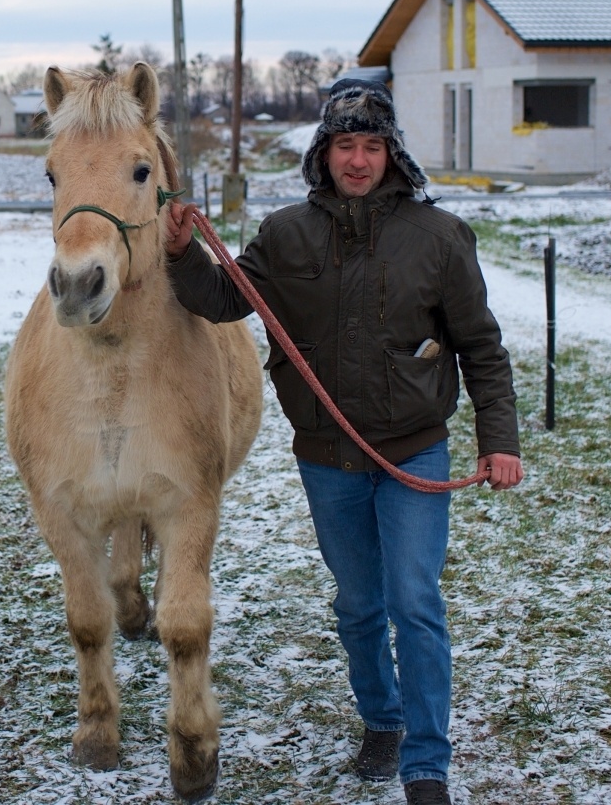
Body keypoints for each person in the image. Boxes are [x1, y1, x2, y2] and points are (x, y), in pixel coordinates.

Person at [162, 79, 523, 805]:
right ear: (323, 153)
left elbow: (482, 347)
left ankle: (426, 764)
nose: (357, 160)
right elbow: (224, 299)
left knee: (414, 599)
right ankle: (382, 720)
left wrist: (498, 437)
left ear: (392, 152)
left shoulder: (439, 237)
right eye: (344, 145)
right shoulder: (288, 232)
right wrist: (180, 255)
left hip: (413, 450)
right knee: (359, 603)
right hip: (328, 458)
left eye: (371, 145)